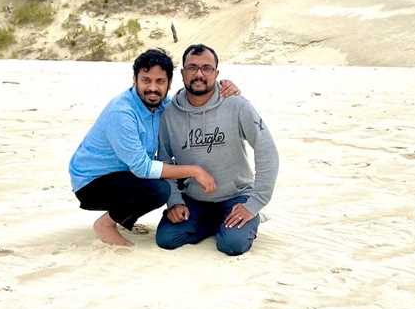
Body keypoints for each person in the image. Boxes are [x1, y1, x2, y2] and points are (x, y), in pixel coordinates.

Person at [69, 48, 239, 247]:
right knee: (158, 189)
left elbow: (193, 101)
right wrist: (195, 171)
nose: (152, 88)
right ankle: (105, 224)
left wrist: (225, 88)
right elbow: (142, 168)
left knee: (175, 171)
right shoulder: (122, 113)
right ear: (135, 80)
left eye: (160, 81)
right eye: (146, 80)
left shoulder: (164, 105)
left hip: (123, 175)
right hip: (91, 183)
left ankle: (125, 217)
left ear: (168, 83)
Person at [155, 44, 279, 256]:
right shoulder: (169, 114)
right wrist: (174, 201)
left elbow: (266, 150)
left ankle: (240, 223)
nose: (199, 74)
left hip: (236, 196)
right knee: (166, 238)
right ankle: (214, 224)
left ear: (217, 73)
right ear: (183, 73)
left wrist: (255, 203)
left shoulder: (237, 104)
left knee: (232, 245)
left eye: (207, 68)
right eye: (192, 68)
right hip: (194, 199)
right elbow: (165, 160)